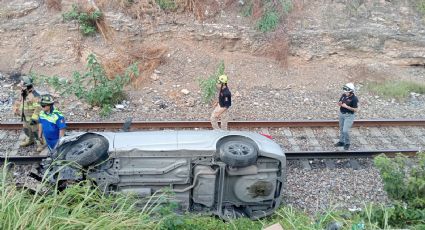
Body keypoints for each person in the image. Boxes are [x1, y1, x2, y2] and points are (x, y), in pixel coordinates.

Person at [12, 75, 45, 152]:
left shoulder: (34, 95)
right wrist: (16, 109)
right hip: (24, 116)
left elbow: (38, 108)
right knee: (26, 129)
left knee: (36, 131)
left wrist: (34, 118)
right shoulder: (23, 93)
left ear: (27, 86)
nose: (20, 86)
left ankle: (40, 143)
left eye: (22, 85)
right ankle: (29, 140)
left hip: (32, 118)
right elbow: (19, 102)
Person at [334, 83, 359, 150]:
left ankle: (347, 143)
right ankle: (341, 142)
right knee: (341, 129)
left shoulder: (354, 99)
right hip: (342, 114)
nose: (345, 93)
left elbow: (355, 109)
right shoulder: (344, 95)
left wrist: (347, 106)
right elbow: (339, 102)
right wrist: (339, 104)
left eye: (347, 92)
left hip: (349, 116)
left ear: (351, 91)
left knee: (345, 130)